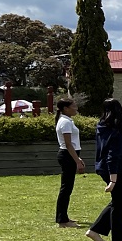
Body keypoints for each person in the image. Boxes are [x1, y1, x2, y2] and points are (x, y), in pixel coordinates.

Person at [85, 98, 122, 241]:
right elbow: (113, 155)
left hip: (103, 167)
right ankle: (116, 237)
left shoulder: (102, 125)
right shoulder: (118, 128)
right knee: (119, 203)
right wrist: (113, 180)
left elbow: (110, 146)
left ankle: (98, 231)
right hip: (114, 169)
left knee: (118, 201)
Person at [54, 97, 85, 227]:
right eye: (73, 106)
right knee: (66, 188)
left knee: (67, 188)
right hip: (67, 156)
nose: (76, 108)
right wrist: (77, 161)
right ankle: (62, 220)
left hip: (70, 155)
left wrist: (77, 158)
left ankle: (64, 217)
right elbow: (68, 144)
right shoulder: (65, 122)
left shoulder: (67, 121)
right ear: (66, 109)